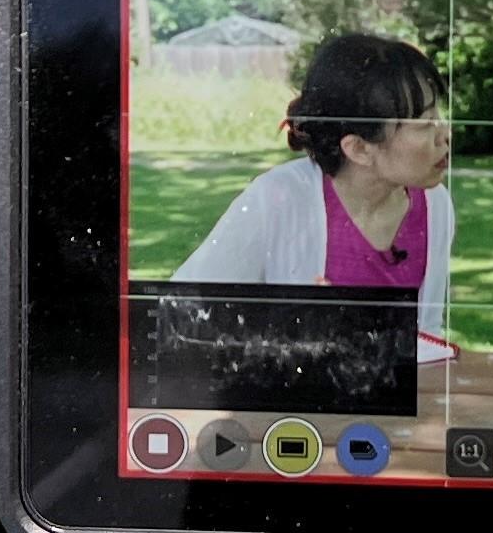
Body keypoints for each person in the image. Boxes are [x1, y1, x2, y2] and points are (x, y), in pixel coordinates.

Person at [168, 32, 458, 356]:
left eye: (438, 116)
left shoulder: (435, 205)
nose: (445, 133)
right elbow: (178, 314)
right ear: (359, 149)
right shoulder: (277, 200)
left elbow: (426, 339)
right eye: (424, 123)